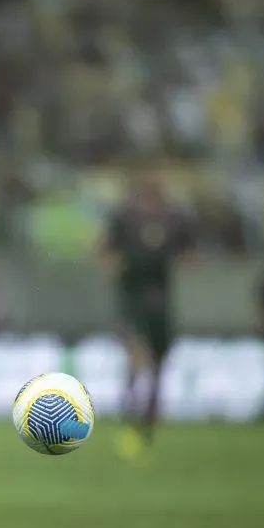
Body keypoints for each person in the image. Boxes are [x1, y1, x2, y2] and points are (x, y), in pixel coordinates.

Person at [99, 176, 192, 464]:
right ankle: (129, 413)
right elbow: (103, 250)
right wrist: (114, 264)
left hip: (160, 304)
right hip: (131, 301)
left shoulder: (174, 222)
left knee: (158, 363)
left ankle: (148, 417)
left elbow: (189, 252)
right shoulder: (123, 221)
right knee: (138, 357)